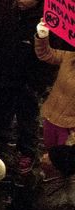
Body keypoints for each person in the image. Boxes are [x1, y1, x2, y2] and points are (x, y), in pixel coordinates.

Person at [0, 0, 52, 170]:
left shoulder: (44, 24)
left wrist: (37, 83)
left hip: (27, 81)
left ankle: (26, 152)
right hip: (4, 75)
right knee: (0, 112)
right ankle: (0, 145)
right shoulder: (11, 15)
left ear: (38, 0)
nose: (21, 0)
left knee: (27, 118)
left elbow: (47, 58)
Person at [36, 18, 75, 150]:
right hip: (52, 118)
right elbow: (46, 54)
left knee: (64, 164)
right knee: (50, 156)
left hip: (70, 129)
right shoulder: (70, 57)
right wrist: (42, 36)